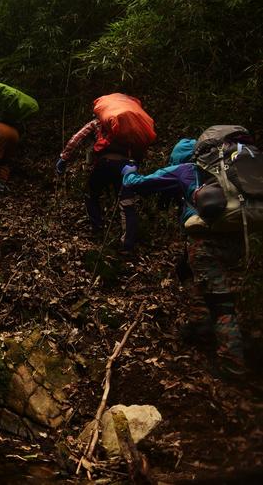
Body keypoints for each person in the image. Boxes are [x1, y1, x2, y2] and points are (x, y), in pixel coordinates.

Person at [121, 137, 248, 376]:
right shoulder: (221, 173)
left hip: (206, 243)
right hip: (237, 240)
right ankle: (200, 323)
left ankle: (232, 361)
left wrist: (129, 171)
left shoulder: (184, 169)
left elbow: (138, 183)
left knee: (219, 301)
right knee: (184, 270)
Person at [56, 93, 156, 252]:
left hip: (105, 163)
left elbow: (77, 138)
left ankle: (97, 229)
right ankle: (127, 245)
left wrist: (64, 158)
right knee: (126, 204)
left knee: (91, 193)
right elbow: (141, 148)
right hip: (126, 165)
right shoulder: (131, 128)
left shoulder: (97, 122)